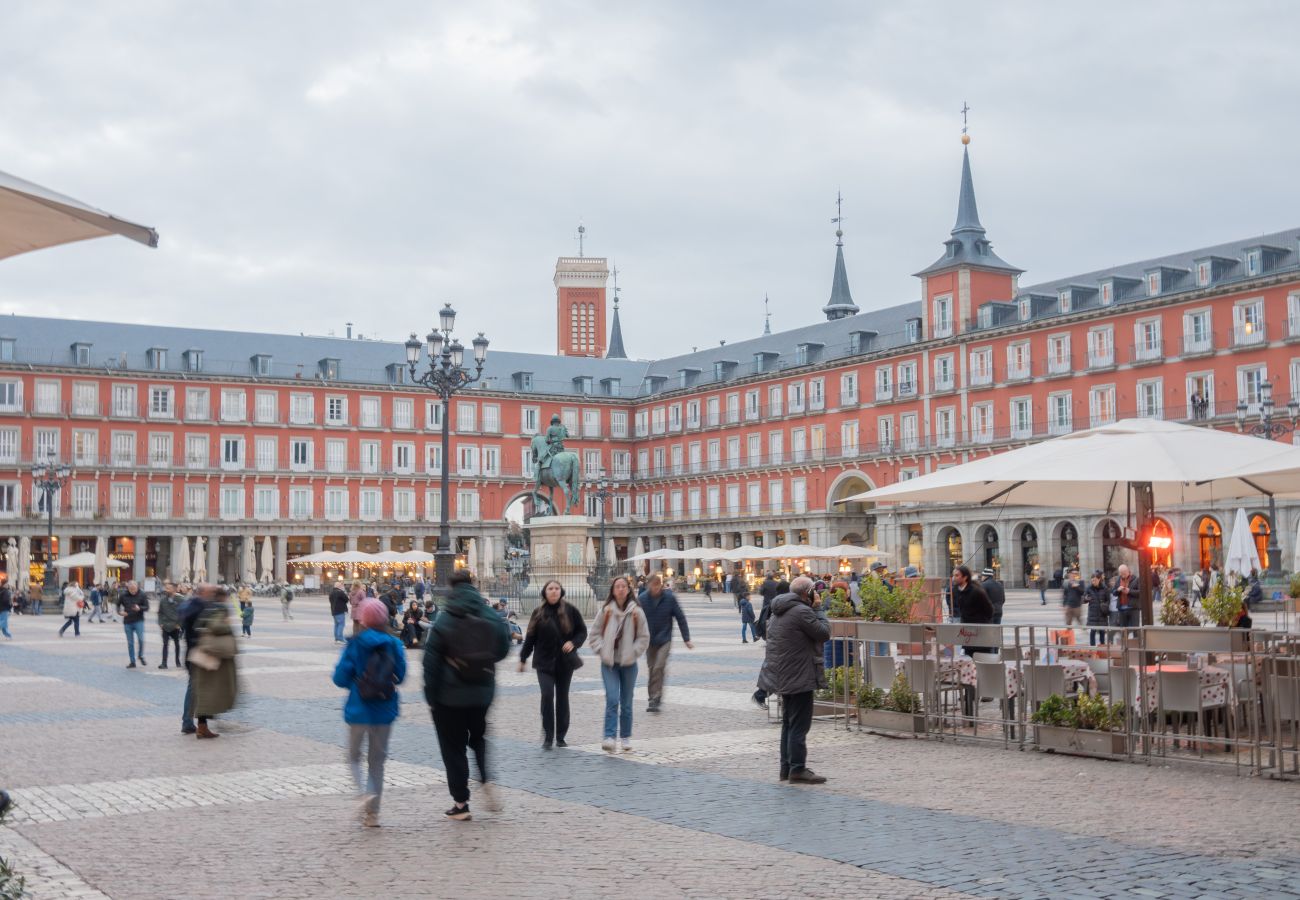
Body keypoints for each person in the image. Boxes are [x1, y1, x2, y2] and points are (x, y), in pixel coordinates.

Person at [423, 570, 511, 822]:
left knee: (453, 747)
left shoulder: (444, 618)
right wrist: (483, 662)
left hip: (448, 697)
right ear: (472, 585)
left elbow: (431, 664)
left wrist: (431, 697)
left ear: (451, 587)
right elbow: (504, 648)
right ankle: (486, 779)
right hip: (483, 691)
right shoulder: (490, 614)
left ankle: (461, 803)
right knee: (479, 737)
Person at [332, 597, 406, 828]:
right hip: (384, 710)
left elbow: (339, 678)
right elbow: (401, 676)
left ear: (363, 619)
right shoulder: (393, 643)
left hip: (359, 709)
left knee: (354, 756)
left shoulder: (355, 644)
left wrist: (356, 680)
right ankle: (372, 814)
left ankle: (362, 790)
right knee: (377, 761)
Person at [757, 575, 829, 784]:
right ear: (808, 593)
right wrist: (818, 608)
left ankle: (786, 768)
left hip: (782, 674)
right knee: (799, 724)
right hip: (799, 674)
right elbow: (824, 633)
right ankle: (797, 768)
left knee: (789, 723)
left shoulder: (779, 610)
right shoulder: (803, 611)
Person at [518, 579, 588, 749]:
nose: (554, 591)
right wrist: (523, 658)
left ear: (561, 591)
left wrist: (574, 643)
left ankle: (561, 735)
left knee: (562, 698)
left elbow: (582, 631)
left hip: (565, 662)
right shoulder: (538, 613)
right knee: (547, 695)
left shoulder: (570, 610)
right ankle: (548, 734)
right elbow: (530, 638)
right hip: (544, 663)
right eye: (550, 588)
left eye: (557, 588)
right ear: (545, 592)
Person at [589, 576, 650, 752]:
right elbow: (594, 635)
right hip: (609, 664)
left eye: (624, 586)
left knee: (627, 702)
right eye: (617, 586)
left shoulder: (637, 612)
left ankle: (625, 736)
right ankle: (609, 736)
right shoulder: (606, 611)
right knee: (613, 698)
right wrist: (603, 650)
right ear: (613, 590)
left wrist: (633, 653)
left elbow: (644, 637)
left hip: (629, 663)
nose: (621, 589)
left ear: (629, 590)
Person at [638, 573, 693, 713]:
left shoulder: (669, 598)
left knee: (658, 666)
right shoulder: (642, 599)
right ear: (648, 585)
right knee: (652, 668)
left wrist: (686, 638)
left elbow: (680, 617)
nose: (655, 588)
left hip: (664, 639)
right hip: (649, 640)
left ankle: (656, 697)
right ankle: (652, 698)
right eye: (652, 585)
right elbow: (635, 621)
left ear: (660, 584)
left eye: (657, 585)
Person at [190, 587, 239, 739]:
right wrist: (228, 624)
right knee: (209, 692)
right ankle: (202, 727)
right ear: (223, 597)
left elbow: (196, 627)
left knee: (204, 692)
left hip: (205, 653)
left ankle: (202, 726)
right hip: (213, 656)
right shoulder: (219, 609)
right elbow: (216, 626)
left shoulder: (206, 607)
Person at [952, 565, 994, 656]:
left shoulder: (976, 591)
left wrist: (981, 623)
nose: (954, 578)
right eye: (953, 575)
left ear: (965, 577)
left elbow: (989, 609)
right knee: (970, 655)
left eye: (957, 575)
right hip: (967, 630)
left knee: (982, 656)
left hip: (980, 629)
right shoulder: (955, 590)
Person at [116, 580, 149, 668]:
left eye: (134, 589)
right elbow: (117, 605)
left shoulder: (142, 594)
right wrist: (120, 612)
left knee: (141, 639)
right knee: (130, 643)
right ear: (128, 588)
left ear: (137, 587)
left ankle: (140, 655)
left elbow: (147, 607)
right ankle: (132, 661)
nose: (133, 591)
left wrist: (140, 608)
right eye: (131, 589)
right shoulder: (123, 595)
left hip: (139, 620)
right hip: (128, 622)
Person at [157, 581, 183, 668]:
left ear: (174, 589)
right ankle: (164, 663)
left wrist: (179, 624)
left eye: (169, 588)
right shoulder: (163, 600)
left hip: (175, 626)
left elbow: (184, 613)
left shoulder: (180, 600)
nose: (166, 590)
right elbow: (160, 612)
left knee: (177, 644)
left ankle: (177, 661)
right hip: (165, 626)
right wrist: (160, 623)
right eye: (166, 588)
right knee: (165, 644)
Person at [1112, 564, 1141, 632]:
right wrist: (1118, 590)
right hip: (1121, 609)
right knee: (1123, 630)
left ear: (1128, 571)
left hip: (1133, 608)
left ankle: (1136, 642)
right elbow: (1113, 592)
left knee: (1135, 630)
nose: (1123, 575)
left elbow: (1140, 592)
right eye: (1121, 573)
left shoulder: (1136, 579)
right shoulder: (1118, 580)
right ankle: (1124, 642)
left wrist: (1129, 591)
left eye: (1124, 573)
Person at [1084, 570, 1110, 646]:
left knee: (1102, 632)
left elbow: (1108, 600)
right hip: (1093, 613)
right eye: (1092, 580)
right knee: (1093, 631)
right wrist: (1086, 599)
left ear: (1099, 579)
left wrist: (1105, 605)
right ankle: (1093, 649)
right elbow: (1083, 599)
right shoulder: (1089, 588)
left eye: (1095, 580)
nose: (1093, 582)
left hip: (1102, 613)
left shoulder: (1104, 588)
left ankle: (1102, 647)